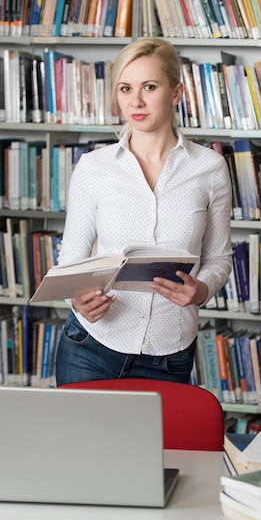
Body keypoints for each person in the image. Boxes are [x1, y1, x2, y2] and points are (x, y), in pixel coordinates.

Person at [55, 38, 232, 386]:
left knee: (160, 443)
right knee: (83, 443)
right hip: (91, 345)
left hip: (170, 353)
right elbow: (71, 258)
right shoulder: (94, 167)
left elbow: (219, 259)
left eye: (149, 87)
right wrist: (76, 299)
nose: (135, 101)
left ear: (176, 92)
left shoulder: (210, 168)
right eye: (125, 88)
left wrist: (201, 291)